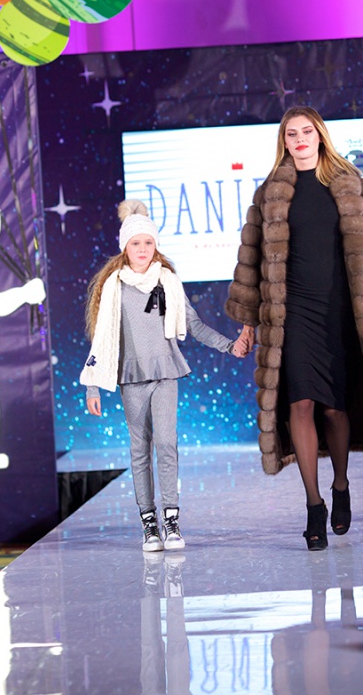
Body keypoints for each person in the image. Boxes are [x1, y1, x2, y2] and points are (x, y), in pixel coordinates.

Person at [225, 106, 363, 551]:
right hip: (292, 313)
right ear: (284, 141)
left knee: (334, 410)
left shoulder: (351, 185)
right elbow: (251, 263)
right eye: (291, 134)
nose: (300, 139)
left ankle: (340, 484)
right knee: (299, 402)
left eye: (307, 131)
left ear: (320, 135)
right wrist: (247, 324)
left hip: (340, 311)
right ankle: (314, 504)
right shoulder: (269, 194)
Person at [81, 199, 248, 552]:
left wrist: (228, 346)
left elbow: (193, 324)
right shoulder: (114, 286)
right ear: (125, 248)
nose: (142, 249)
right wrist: (92, 385)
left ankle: (172, 520)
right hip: (131, 375)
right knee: (139, 449)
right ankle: (149, 523)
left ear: (156, 245)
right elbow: (103, 337)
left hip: (165, 372)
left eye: (148, 242)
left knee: (167, 443)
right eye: (135, 243)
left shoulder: (168, 281)